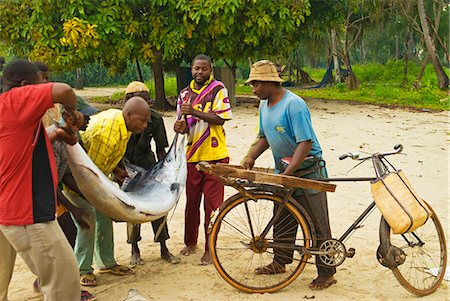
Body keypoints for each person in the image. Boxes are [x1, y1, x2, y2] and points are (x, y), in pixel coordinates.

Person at [242, 60, 337, 290]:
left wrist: (289, 172)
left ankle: (326, 273)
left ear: (269, 83)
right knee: (282, 216)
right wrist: (250, 157)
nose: (253, 90)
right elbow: (264, 136)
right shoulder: (264, 106)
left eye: (256, 84)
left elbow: (305, 142)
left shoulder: (294, 105)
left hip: (308, 171)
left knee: (317, 223)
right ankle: (280, 260)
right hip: (284, 169)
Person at [0, 59, 81, 300]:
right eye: (40, 83)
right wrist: (71, 111)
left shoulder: (10, 113)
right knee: (63, 281)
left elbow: (27, 147)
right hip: (26, 213)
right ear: (25, 86)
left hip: (7, 207)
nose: (44, 86)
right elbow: (64, 90)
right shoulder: (15, 101)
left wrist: (64, 131)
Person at [63, 96, 149, 287]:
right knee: (88, 220)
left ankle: (106, 262)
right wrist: (103, 200)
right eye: (142, 121)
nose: (144, 127)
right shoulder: (108, 134)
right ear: (129, 115)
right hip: (79, 183)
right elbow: (90, 170)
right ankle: (83, 269)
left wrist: (117, 169)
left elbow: (109, 158)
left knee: (104, 218)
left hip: (97, 180)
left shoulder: (122, 124)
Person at [173, 54, 232, 265]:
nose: (200, 72)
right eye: (196, 68)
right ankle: (190, 243)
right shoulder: (184, 94)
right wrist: (180, 126)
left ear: (210, 70)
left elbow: (221, 119)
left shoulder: (218, 89)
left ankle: (210, 247)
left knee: (212, 206)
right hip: (192, 156)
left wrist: (196, 111)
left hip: (215, 156)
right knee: (192, 202)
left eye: (204, 69)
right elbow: (183, 124)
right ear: (191, 69)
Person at [123, 81, 180, 265]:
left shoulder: (155, 119)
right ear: (128, 102)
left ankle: (164, 247)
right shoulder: (120, 121)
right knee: (131, 210)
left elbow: (161, 149)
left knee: (158, 208)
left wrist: (165, 174)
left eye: (146, 100)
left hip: (148, 166)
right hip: (126, 169)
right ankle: (134, 249)